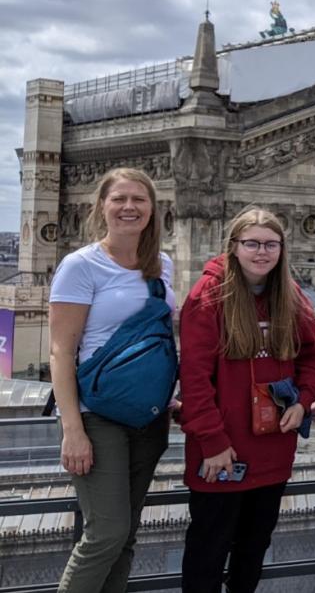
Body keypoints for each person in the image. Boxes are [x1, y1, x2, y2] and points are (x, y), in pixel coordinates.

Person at [179, 207, 315, 592]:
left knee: (253, 550)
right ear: (233, 246)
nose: (261, 252)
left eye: (270, 244)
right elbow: (193, 378)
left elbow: (314, 356)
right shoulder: (208, 295)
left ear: (282, 249)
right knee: (207, 553)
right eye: (252, 244)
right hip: (221, 455)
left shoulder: (290, 295)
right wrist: (212, 443)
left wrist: (304, 401)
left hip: (273, 450)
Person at [48, 167, 175, 593]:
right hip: (96, 416)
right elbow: (61, 352)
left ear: (152, 209)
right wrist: (73, 430)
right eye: (119, 198)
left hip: (149, 419)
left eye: (139, 199)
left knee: (125, 536)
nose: (129, 207)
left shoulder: (164, 266)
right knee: (105, 532)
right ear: (101, 206)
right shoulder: (80, 265)